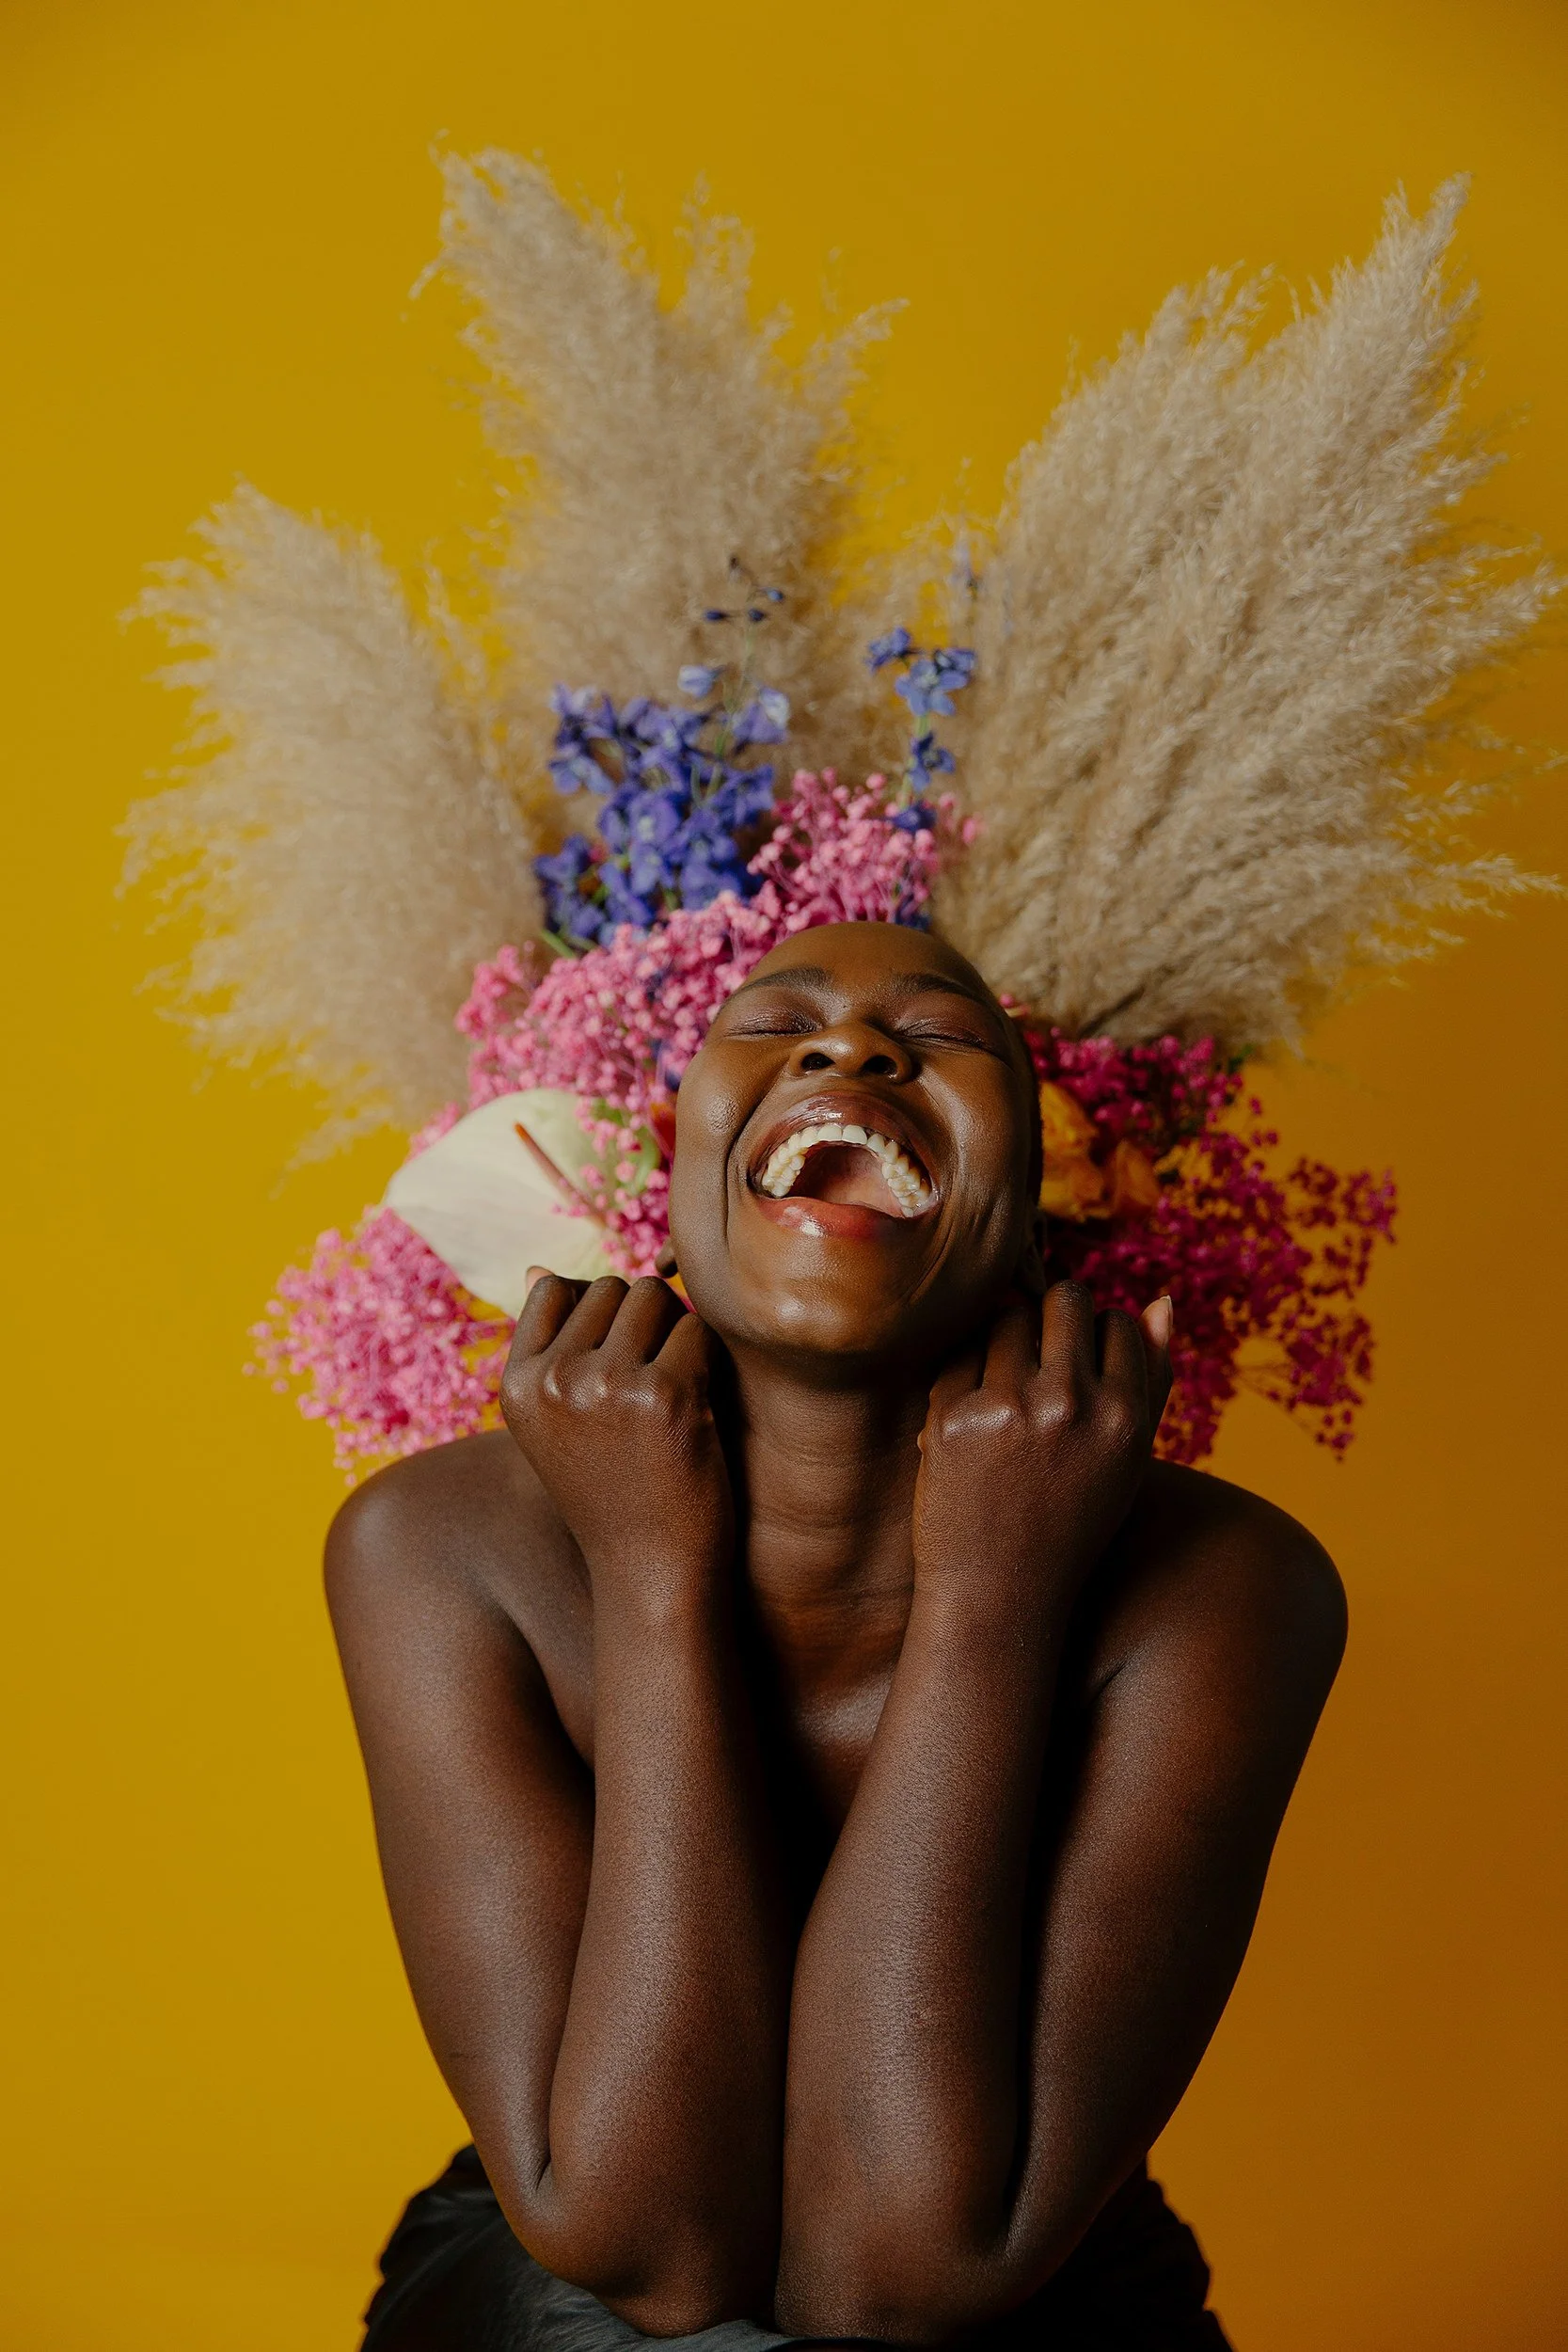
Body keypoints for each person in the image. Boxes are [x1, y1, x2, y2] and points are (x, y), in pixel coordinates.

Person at [326, 919, 1347, 2351]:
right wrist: (650, 1566)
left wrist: (996, 1593)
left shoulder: (1227, 1586)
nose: (853, 1046)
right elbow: (651, 2256)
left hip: (1028, 2294)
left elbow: (892, 2277)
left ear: (1036, 1209)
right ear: (669, 1166)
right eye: (776, 1020)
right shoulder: (437, 1547)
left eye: (937, 1039)